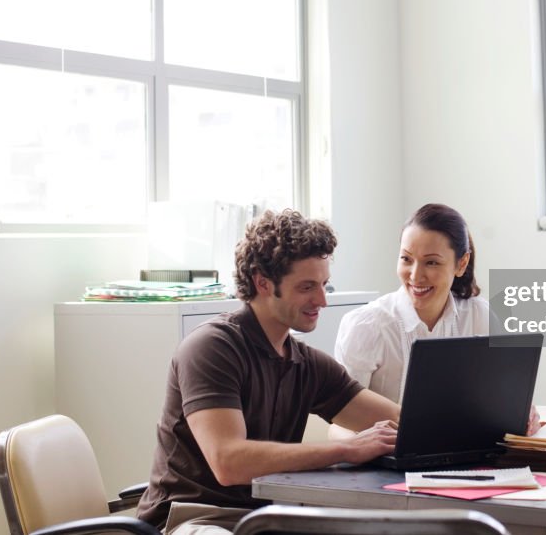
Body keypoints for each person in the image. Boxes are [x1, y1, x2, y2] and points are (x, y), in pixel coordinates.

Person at [137, 210, 400, 534]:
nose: (321, 300)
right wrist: (347, 449)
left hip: (263, 520)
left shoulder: (307, 364)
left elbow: (405, 423)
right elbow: (229, 462)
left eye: (324, 285)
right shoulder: (211, 348)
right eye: (307, 287)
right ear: (263, 282)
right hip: (191, 520)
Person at [334, 203, 491, 403]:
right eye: (406, 259)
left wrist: (520, 413)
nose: (415, 276)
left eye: (431, 262)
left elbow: (496, 399)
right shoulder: (366, 326)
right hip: (392, 436)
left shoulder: (480, 315)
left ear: (461, 264)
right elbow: (340, 424)